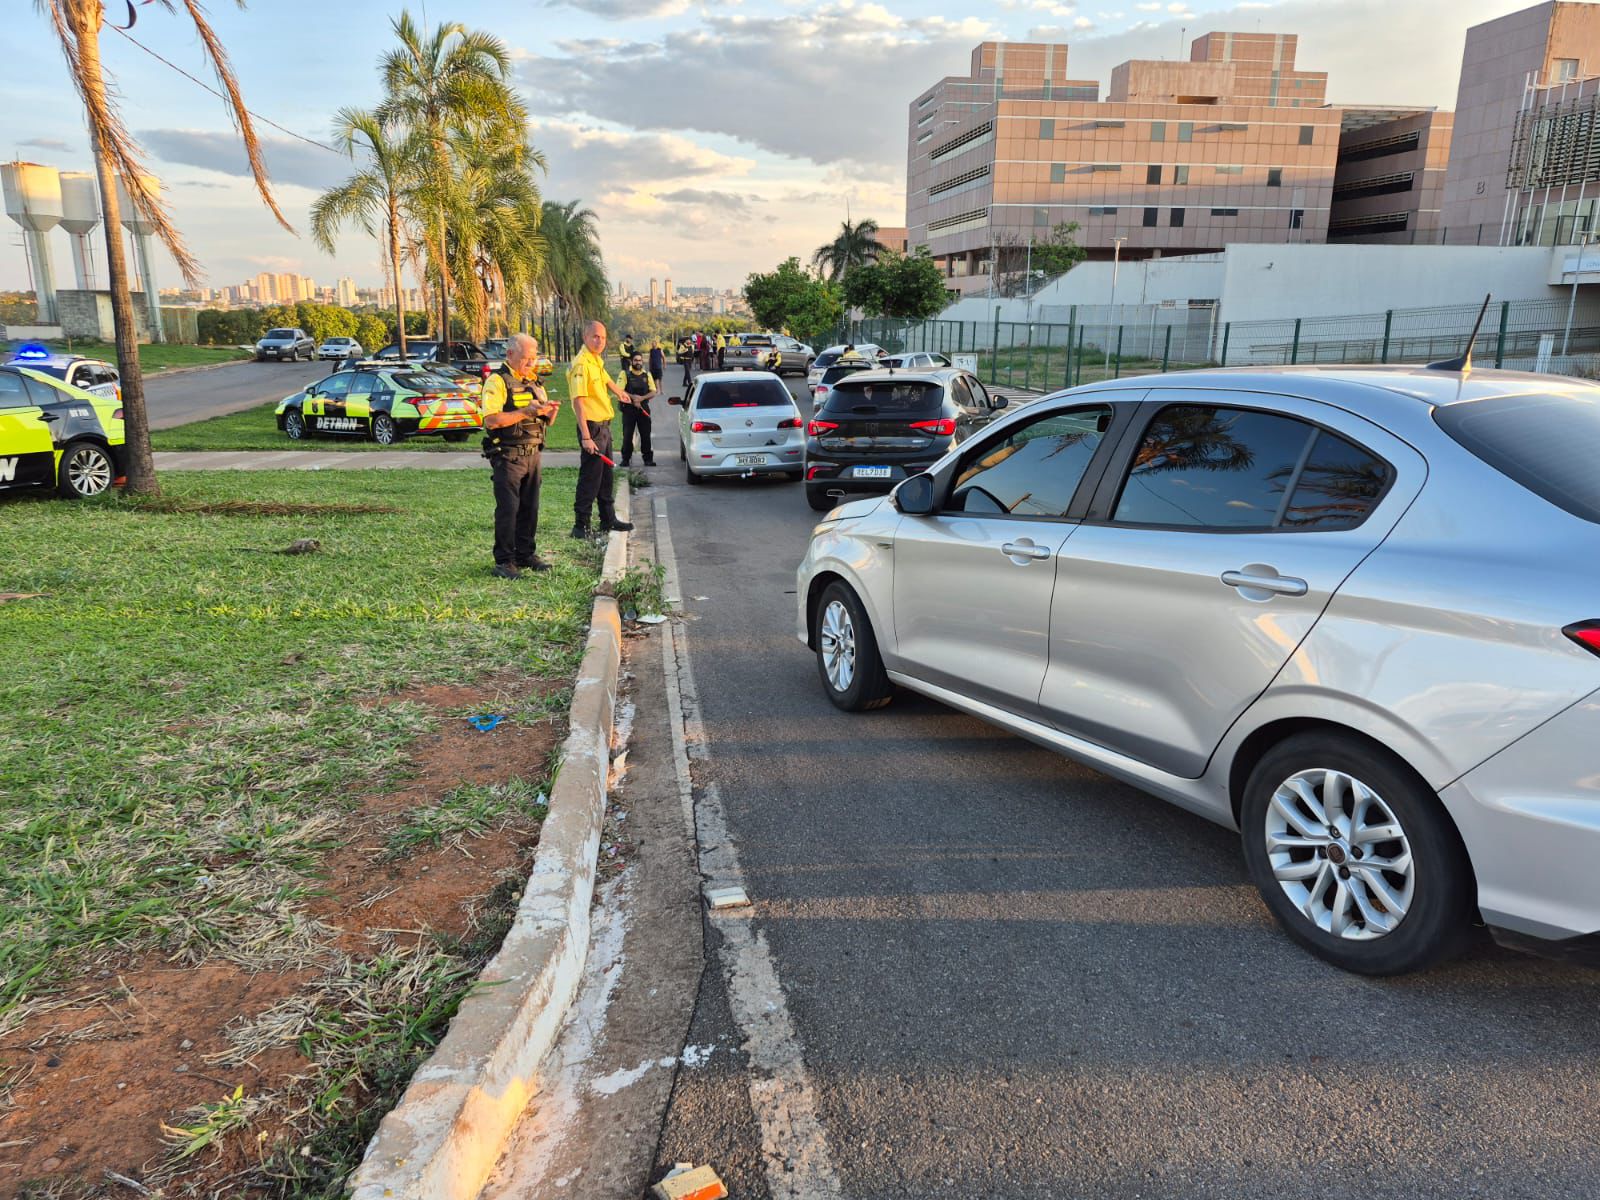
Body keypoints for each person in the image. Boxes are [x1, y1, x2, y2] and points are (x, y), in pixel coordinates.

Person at [480, 333, 559, 579]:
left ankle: (525, 554)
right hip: (508, 455)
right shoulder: (497, 382)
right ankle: (504, 561)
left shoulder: (535, 382)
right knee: (509, 509)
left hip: (533, 454)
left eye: (534, 359)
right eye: (526, 359)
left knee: (530, 508)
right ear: (510, 354)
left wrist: (550, 411)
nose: (531, 364)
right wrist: (525, 411)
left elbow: (547, 421)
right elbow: (492, 420)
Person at [569, 320, 636, 539]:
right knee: (590, 478)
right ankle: (581, 526)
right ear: (585, 337)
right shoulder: (581, 364)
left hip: (603, 428)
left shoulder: (594, 359)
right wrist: (586, 437)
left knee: (605, 477)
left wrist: (619, 392)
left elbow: (605, 378)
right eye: (595, 337)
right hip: (592, 429)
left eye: (603, 337)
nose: (600, 341)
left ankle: (608, 520)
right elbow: (578, 401)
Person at [616, 350, 659, 467]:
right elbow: (619, 390)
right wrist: (633, 398)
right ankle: (625, 459)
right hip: (628, 409)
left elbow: (654, 391)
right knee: (628, 435)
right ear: (631, 361)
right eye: (636, 360)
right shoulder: (624, 374)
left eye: (640, 360)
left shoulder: (647, 374)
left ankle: (648, 459)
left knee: (645, 435)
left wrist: (641, 398)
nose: (638, 362)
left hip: (643, 409)